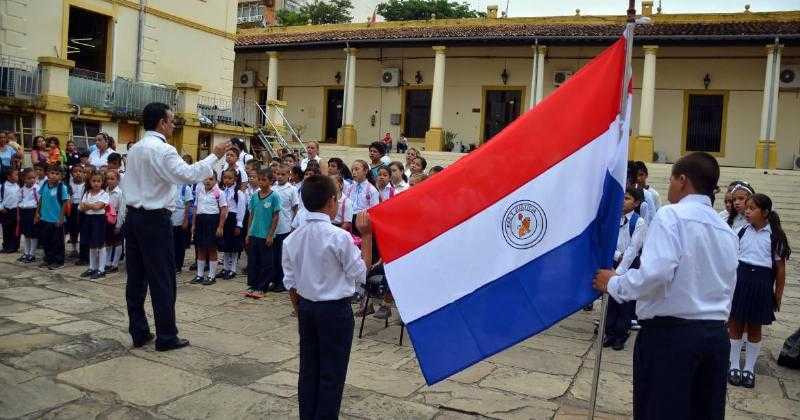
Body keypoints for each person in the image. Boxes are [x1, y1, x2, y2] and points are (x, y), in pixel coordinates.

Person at [593, 152, 739, 420]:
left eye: (671, 179)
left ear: (682, 180)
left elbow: (655, 274)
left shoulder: (671, 216)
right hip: (715, 336)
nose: (669, 185)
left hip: (672, 337)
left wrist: (614, 283)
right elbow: (729, 284)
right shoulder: (725, 229)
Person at [121, 102, 229, 352]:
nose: (173, 125)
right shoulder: (163, 150)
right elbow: (188, 175)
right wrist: (215, 155)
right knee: (163, 279)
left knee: (136, 278)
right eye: (171, 120)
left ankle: (139, 331)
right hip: (154, 219)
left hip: (134, 217)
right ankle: (166, 335)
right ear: (161, 122)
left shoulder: (135, 149)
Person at [283, 175, 371, 420]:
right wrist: (366, 237)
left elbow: (290, 283)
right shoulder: (338, 237)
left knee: (309, 369)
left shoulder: (292, 239)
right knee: (332, 373)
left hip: (307, 307)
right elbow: (361, 273)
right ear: (332, 202)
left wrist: (299, 309)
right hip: (334, 311)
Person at [728, 193, 791, 389]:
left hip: (761, 283)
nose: (747, 211)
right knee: (736, 322)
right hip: (741, 279)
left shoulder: (775, 237)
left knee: (755, 326)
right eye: (746, 208)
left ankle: (749, 368)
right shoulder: (740, 231)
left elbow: (780, 269)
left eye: (752, 208)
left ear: (765, 213)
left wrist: (778, 294)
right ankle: (734, 364)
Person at [604, 187, 647, 351]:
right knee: (611, 300)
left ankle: (621, 335)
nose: (623, 201)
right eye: (622, 198)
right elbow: (609, 240)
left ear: (636, 203)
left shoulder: (639, 222)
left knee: (625, 301)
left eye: (627, 198)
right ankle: (609, 332)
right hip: (615, 261)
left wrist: (619, 272)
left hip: (629, 266)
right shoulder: (615, 218)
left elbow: (633, 248)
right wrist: (615, 256)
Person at [244, 168, 281, 299]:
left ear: (271, 181)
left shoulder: (275, 196)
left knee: (266, 263)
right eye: (259, 179)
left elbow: (276, 217)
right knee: (254, 261)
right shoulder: (255, 196)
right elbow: (251, 214)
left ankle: (262, 287)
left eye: (264, 180)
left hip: (265, 235)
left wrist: (270, 235)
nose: (261, 182)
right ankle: (253, 285)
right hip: (254, 233)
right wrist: (248, 232)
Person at [192, 174, 227, 285]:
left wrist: (220, 226)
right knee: (200, 248)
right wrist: (193, 225)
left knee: (212, 249)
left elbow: (224, 210)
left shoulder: (219, 193)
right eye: (206, 179)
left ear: (216, 181)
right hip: (200, 221)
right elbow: (196, 208)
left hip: (212, 221)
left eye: (211, 179)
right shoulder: (200, 191)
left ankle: (211, 276)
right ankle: (200, 275)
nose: (208, 181)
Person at [35, 164, 69, 270]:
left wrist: (60, 218)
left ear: (61, 176)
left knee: (57, 242)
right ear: (48, 174)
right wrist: (37, 212)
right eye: (52, 173)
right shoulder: (45, 184)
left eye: (57, 174)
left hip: (56, 219)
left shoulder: (62, 187)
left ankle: (58, 261)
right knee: (46, 240)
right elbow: (41, 199)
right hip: (45, 218)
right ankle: (49, 259)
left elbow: (64, 203)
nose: (54, 175)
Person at [79, 170, 109, 279]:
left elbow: (98, 207)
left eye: (99, 181)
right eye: (94, 181)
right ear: (90, 182)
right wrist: (91, 205)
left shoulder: (104, 194)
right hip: (88, 219)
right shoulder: (87, 193)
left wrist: (88, 205)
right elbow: (81, 207)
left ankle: (101, 269)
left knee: (100, 244)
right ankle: (92, 267)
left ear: (102, 182)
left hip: (98, 220)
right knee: (91, 244)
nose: (96, 183)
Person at [272, 163, 298, 292]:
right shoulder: (273, 188)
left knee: (282, 256)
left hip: (286, 226)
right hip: (273, 227)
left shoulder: (292, 189)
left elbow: (295, 208)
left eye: (283, 174)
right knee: (273, 255)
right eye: (278, 174)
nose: (280, 177)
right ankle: (274, 279)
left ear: (289, 175)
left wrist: (294, 226)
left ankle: (283, 281)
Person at [218, 168, 246, 280]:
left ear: (235, 179)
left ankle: (232, 269)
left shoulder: (238, 193)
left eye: (230, 178)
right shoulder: (222, 191)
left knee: (233, 246)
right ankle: (225, 267)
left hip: (233, 219)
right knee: (226, 245)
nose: (227, 180)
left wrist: (239, 224)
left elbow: (241, 208)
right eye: (225, 178)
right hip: (225, 219)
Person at [104, 170, 125, 273]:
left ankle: (115, 264)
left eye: (113, 179)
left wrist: (119, 224)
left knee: (117, 241)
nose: (110, 181)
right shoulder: (105, 192)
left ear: (117, 180)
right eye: (108, 178)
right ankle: (107, 262)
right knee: (108, 241)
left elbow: (121, 209)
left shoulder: (120, 193)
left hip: (116, 218)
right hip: (106, 219)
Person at [17, 168, 38, 263]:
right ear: (24, 179)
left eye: (33, 178)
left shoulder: (37, 189)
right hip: (24, 212)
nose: (32, 180)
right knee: (26, 234)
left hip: (33, 212)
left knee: (33, 234)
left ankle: (32, 254)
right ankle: (26, 252)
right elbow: (19, 201)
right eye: (29, 178)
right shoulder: (22, 189)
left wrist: (37, 215)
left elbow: (39, 202)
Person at [172, 183, 193, 273]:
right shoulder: (170, 185)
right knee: (171, 243)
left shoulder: (186, 188)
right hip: (171, 215)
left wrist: (185, 220)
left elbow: (187, 205)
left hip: (181, 215)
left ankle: (178, 265)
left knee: (180, 243)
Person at [66, 165, 85, 258]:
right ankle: (74, 249)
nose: (78, 173)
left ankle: (83, 249)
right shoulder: (68, 185)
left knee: (83, 229)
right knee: (73, 229)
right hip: (72, 207)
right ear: (71, 174)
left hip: (82, 208)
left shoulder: (86, 185)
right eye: (75, 171)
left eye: (80, 171)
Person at [0, 168, 21, 253]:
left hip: (15, 211)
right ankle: (6, 246)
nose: (17, 176)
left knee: (15, 229)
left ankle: (14, 246)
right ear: (9, 177)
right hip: (6, 211)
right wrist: (1, 207)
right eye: (16, 175)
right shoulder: (2, 186)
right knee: (6, 229)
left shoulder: (18, 186)